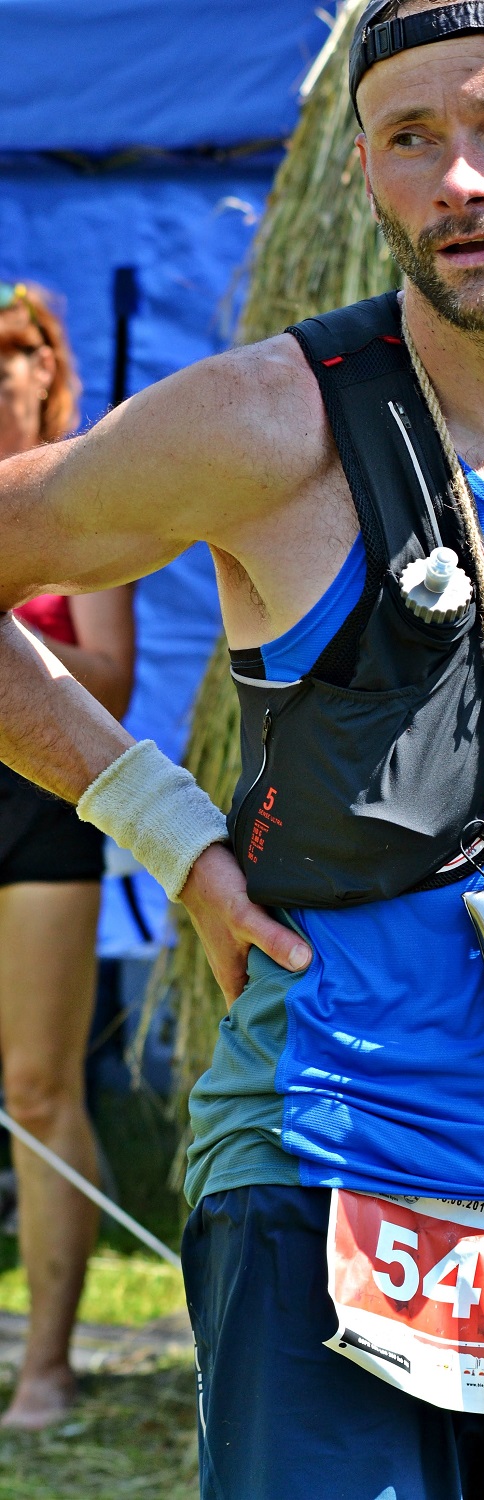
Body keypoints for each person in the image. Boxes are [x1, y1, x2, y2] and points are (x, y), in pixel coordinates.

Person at [0, 1, 484, 1492]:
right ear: (364, 173)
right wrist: (171, 834)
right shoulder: (263, 426)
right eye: (411, 139)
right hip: (325, 1173)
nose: (460, 181)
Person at [0, 280, 134, 1429]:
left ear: (50, 367)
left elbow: (113, 682)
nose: (1, 370)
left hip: (43, 798)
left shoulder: (79, 494)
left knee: (39, 1085)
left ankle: (46, 1364)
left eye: (15, 348)